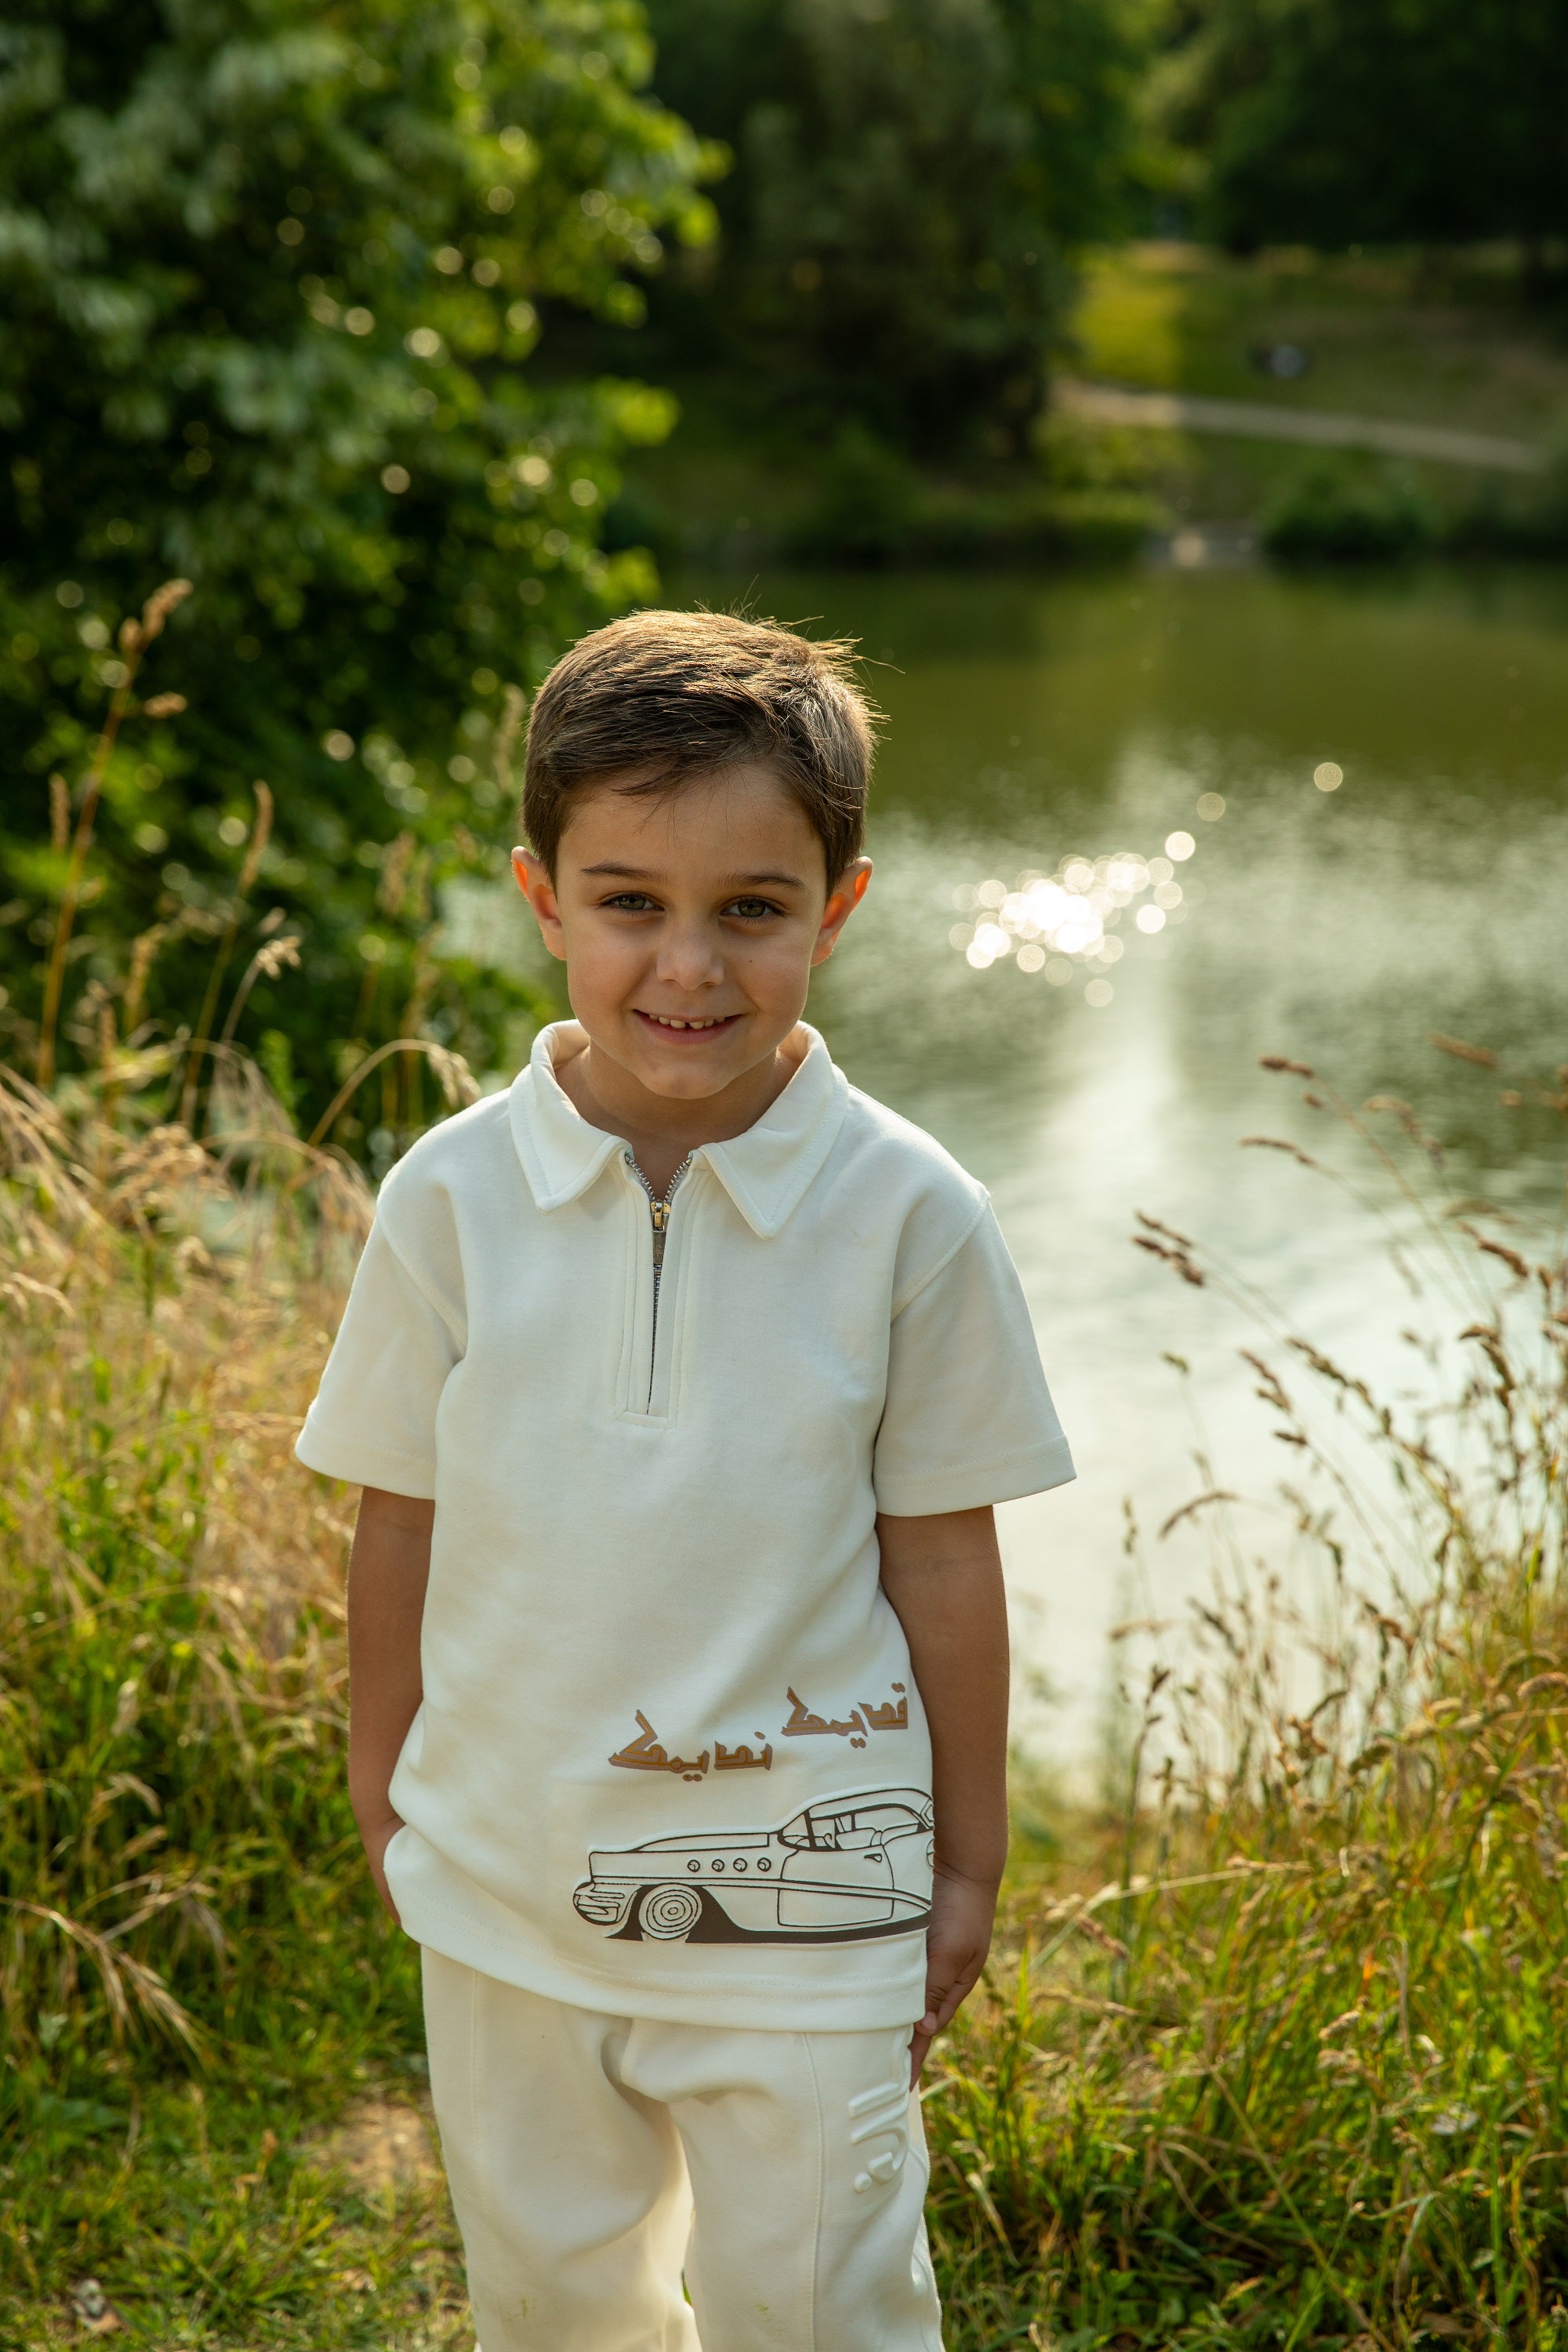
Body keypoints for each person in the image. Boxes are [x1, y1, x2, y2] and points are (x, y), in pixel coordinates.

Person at [296, 608, 1073, 2351]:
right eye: (631, 900)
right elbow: (396, 1512)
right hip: (508, 1876)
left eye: (752, 910)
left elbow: (943, 1560)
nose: (688, 967)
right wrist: (385, 1786)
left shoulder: (910, 1215)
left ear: (838, 910)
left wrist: (964, 1860)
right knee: (556, 2297)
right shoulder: (450, 1200)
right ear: (542, 896)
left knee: (820, 2303)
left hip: (812, 1902)